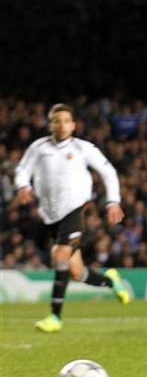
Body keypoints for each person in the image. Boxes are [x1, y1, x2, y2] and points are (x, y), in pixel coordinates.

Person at [13, 103, 131, 332]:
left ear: (74, 125)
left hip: (75, 209)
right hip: (50, 214)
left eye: (66, 121)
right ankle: (111, 281)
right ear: (50, 124)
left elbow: (108, 172)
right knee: (77, 272)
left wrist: (113, 201)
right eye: (57, 121)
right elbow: (22, 170)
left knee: (60, 255)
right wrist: (23, 186)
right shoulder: (39, 147)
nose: (62, 125)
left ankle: (55, 317)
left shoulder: (83, 148)